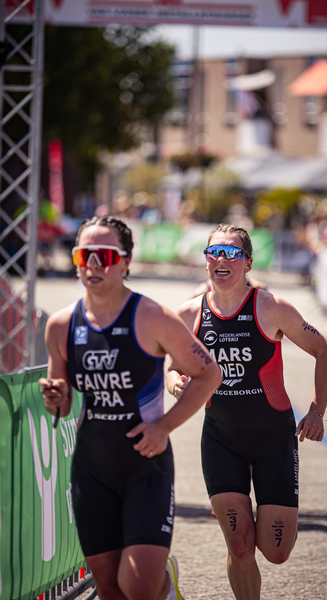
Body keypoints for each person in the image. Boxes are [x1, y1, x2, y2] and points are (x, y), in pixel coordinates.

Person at [38, 216, 221, 600]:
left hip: (145, 467)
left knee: (137, 586)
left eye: (104, 255)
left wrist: (164, 426)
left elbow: (209, 374)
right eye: (83, 255)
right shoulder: (60, 326)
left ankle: (163, 587)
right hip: (92, 470)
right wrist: (55, 398)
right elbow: (62, 404)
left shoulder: (152, 317)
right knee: (108, 588)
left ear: (125, 262)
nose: (93, 264)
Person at [166, 224, 327, 600]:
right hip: (221, 440)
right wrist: (176, 381)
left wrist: (316, 411)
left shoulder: (271, 307)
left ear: (248, 263)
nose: (222, 260)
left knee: (275, 551)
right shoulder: (188, 313)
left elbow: (325, 351)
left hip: (274, 439)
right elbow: (173, 366)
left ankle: (266, 514)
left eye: (232, 253)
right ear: (206, 260)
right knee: (240, 545)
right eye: (214, 253)